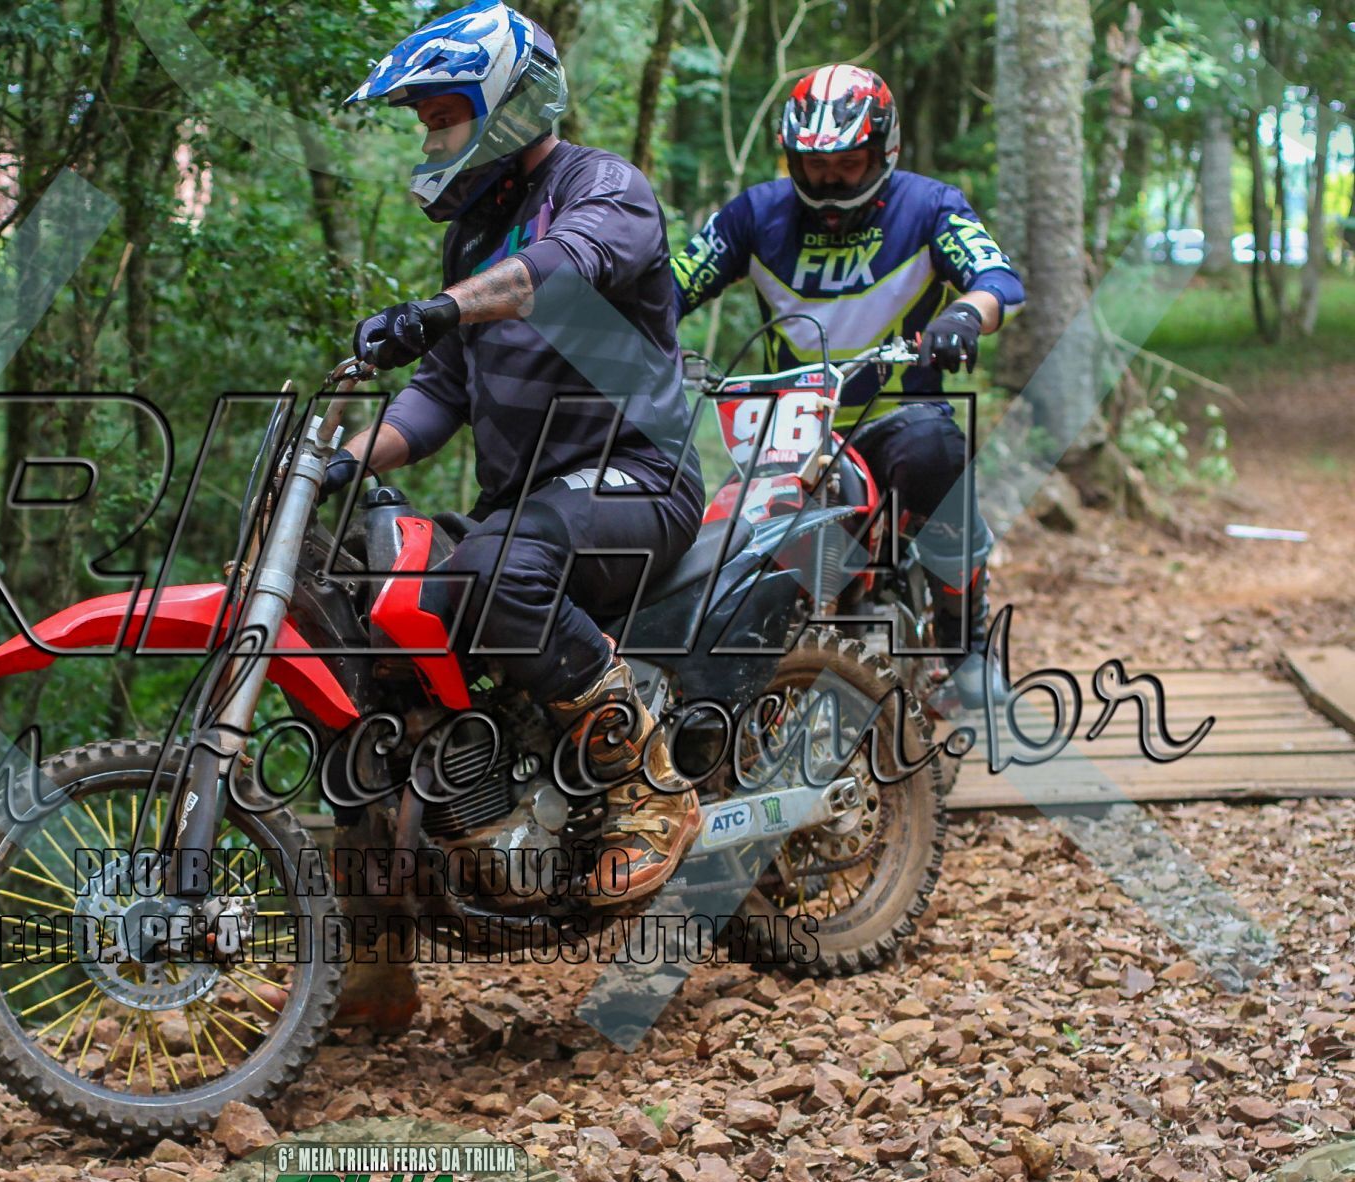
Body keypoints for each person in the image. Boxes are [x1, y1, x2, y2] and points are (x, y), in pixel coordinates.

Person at [331, 0, 707, 906]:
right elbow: (440, 393)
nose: (432, 141)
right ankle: (389, 917)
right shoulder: (472, 235)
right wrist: (345, 462)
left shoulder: (603, 187)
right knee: (376, 602)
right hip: (532, 506)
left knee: (492, 571)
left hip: (640, 478)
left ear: (505, 105)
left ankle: (650, 791)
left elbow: (561, 269)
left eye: (443, 117)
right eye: (425, 124)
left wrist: (439, 309)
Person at [671, 64, 1024, 708]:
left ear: (884, 151)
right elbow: (672, 285)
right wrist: (636, 337)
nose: (830, 179)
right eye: (814, 164)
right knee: (723, 524)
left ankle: (965, 641)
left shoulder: (930, 206)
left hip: (898, 410)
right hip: (789, 422)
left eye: (848, 163)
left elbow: (997, 279)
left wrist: (966, 315)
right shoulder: (755, 214)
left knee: (936, 455)